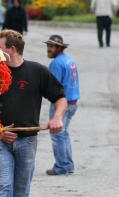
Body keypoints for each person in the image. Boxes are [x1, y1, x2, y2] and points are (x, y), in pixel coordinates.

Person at [0, 30, 67, 197]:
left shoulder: (37, 71)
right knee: (2, 188)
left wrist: (57, 117)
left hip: (27, 141)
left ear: (11, 49)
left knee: (20, 193)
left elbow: (60, 97)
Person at [42, 35, 80, 176]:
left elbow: (54, 87)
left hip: (62, 104)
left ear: (59, 48)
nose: (48, 49)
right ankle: (68, 165)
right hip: (73, 102)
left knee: (57, 135)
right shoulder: (69, 59)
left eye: (51, 46)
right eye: (48, 46)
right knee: (64, 134)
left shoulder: (56, 63)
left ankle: (61, 166)